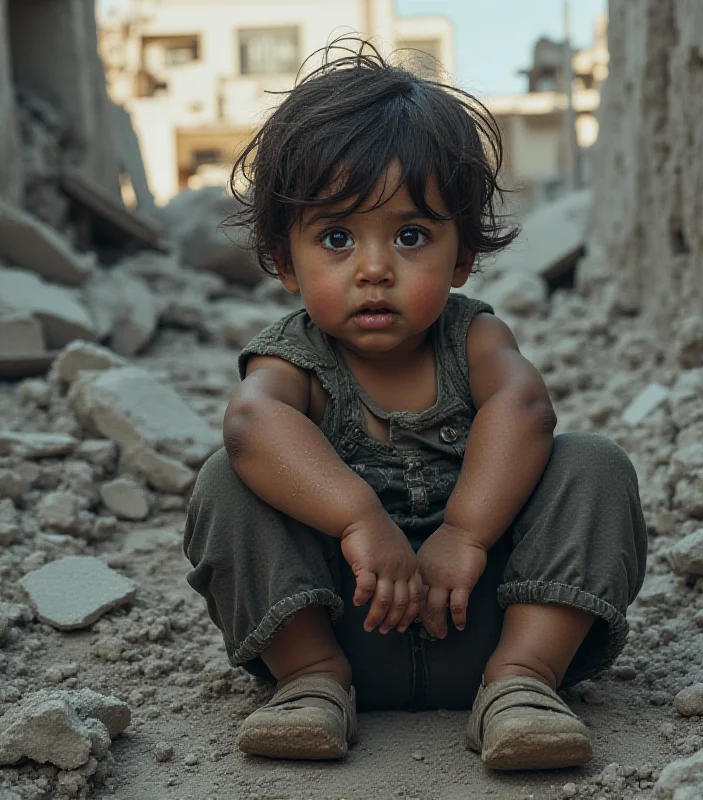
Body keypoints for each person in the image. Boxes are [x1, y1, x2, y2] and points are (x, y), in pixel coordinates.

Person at [183, 38, 647, 771]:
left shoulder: (476, 339)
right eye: (336, 237)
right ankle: (308, 685)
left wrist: (464, 534)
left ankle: (524, 685)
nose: (374, 269)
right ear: (284, 260)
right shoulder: (294, 359)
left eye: (410, 236)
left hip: (488, 620)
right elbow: (251, 423)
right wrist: (359, 518)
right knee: (224, 478)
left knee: (594, 465)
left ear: (461, 256)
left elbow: (525, 408)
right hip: (347, 630)